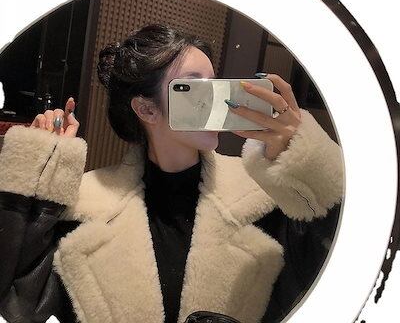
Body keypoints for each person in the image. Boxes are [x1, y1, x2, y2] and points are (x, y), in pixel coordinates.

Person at [0, 24, 343, 323]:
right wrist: (38, 172)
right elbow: (20, 301)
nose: (216, 101)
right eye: (195, 88)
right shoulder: (84, 207)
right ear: (147, 109)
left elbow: (334, 268)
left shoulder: (263, 201)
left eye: (215, 84)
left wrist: (303, 160)